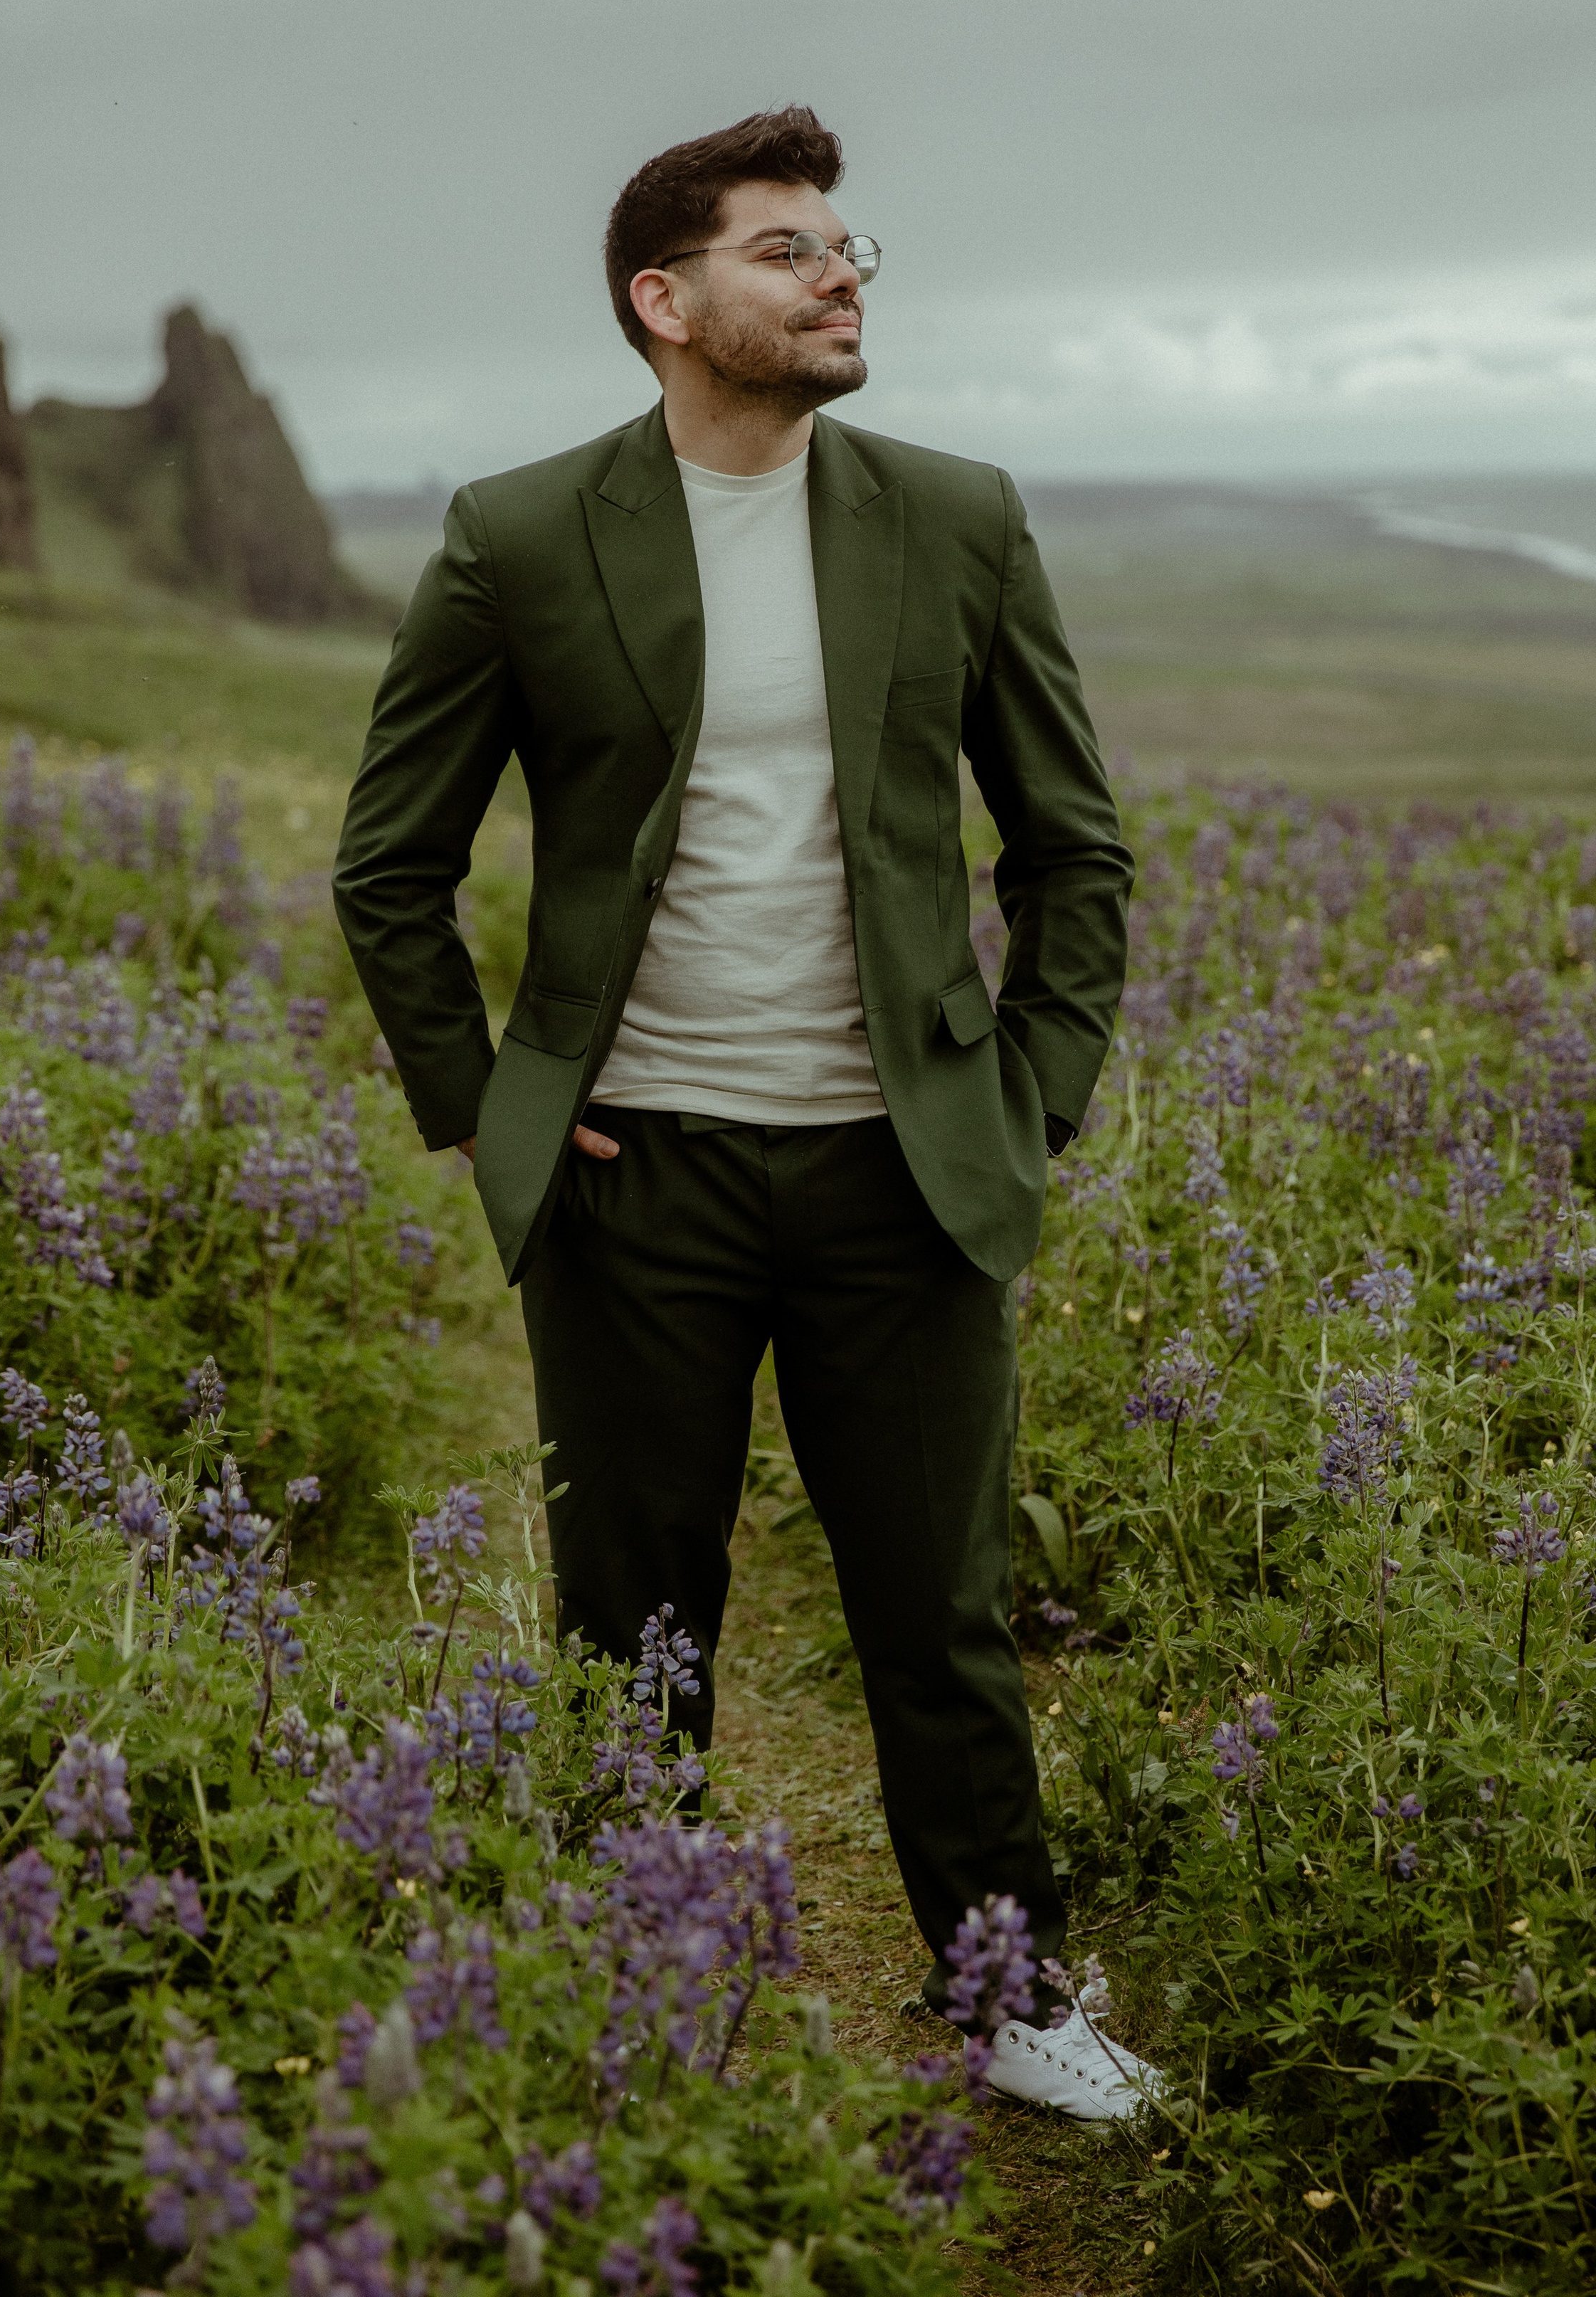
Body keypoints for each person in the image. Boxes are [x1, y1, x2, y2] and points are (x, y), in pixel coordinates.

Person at [334, 107, 1156, 2118]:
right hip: (637, 1179)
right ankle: (631, 1999)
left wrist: (1026, 1097)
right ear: (668, 300)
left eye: (850, 246)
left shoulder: (954, 515)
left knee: (942, 1615)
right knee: (633, 1618)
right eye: (790, 250)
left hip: (908, 1171)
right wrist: (490, 1110)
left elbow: (1072, 844)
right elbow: (388, 865)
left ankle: (1015, 2000)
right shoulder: (519, 534)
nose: (843, 273)